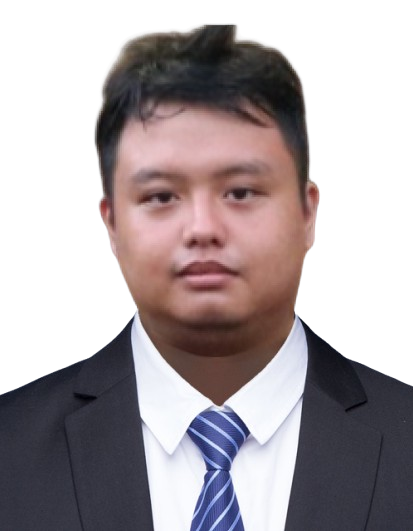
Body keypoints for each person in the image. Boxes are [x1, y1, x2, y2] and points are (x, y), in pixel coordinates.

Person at [1, 23, 412, 531]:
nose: (202, 228)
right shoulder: (8, 451)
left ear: (308, 213)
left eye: (240, 192)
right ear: (112, 225)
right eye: (161, 196)